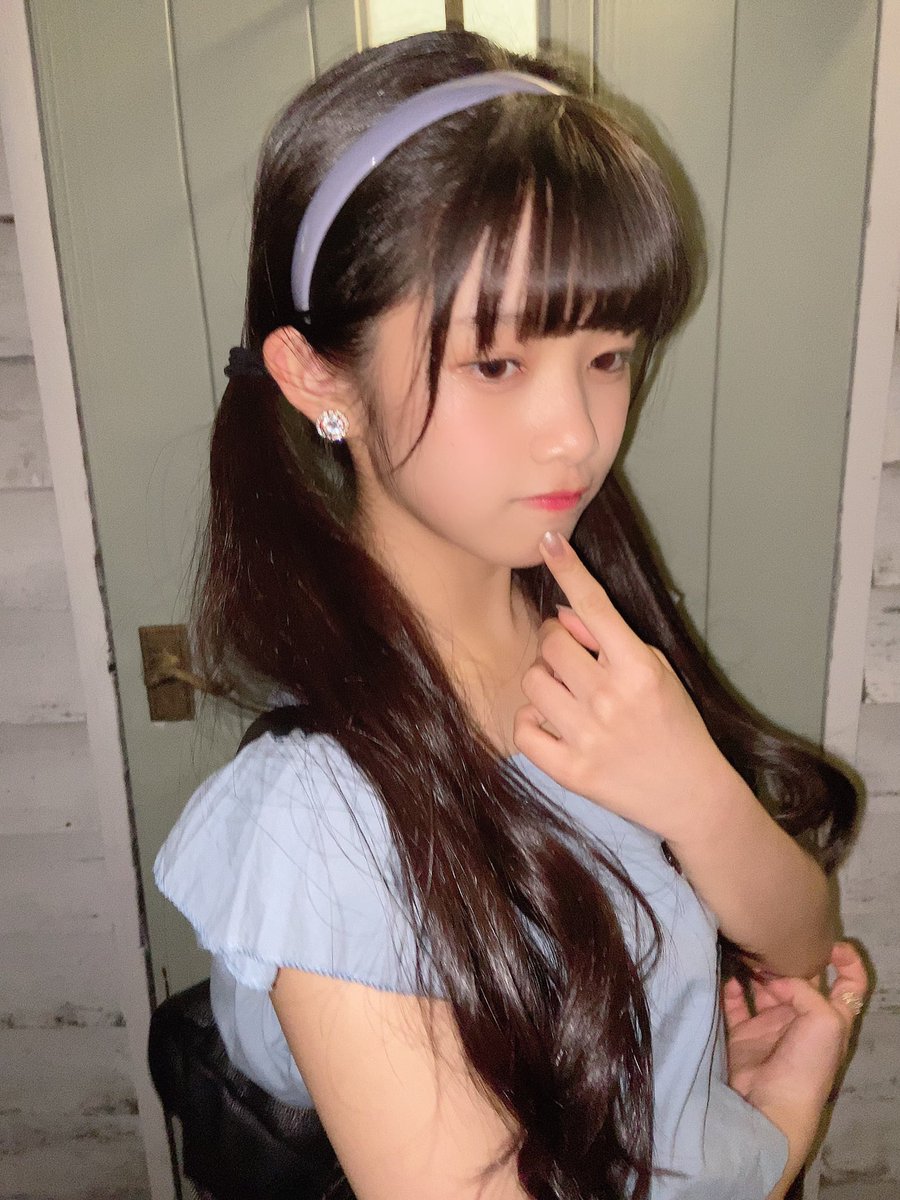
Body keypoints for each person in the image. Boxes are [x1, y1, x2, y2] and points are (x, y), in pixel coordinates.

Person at [153, 28, 868, 1200]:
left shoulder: (592, 637)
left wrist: (693, 788)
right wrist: (773, 1143)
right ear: (320, 377)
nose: (578, 434)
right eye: (496, 366)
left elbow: (800, 946)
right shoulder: (321, 820)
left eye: (608, 357)